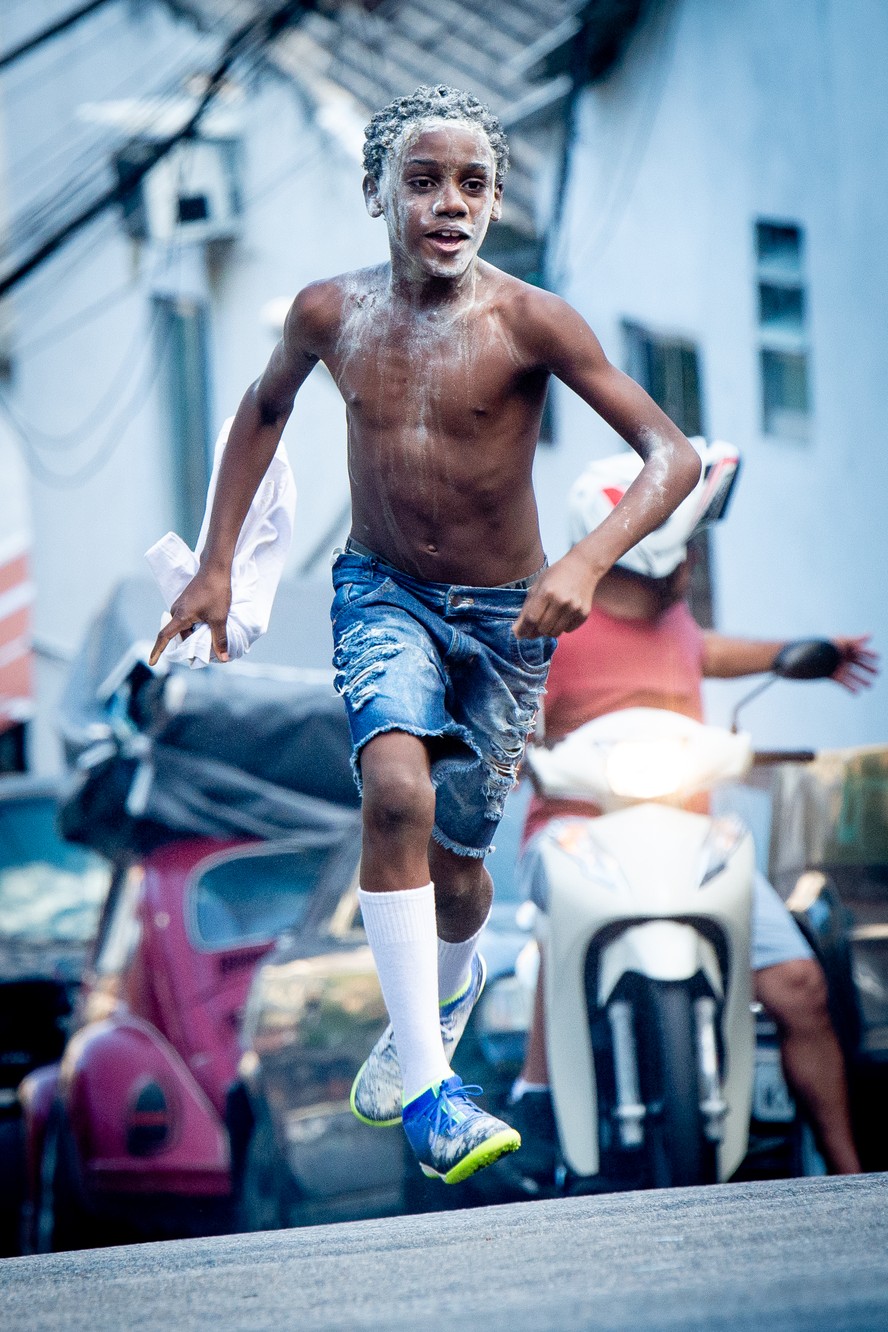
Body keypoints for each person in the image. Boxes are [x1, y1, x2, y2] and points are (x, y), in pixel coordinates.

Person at [149, 85, 702, 1186]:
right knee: (393, 793)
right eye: (422, 179)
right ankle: (435, 1091)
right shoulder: (330, 314)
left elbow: (671, 456)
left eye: (473, 184)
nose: (449, 202)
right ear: (376, 194)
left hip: (507, 618)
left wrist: (586, 564)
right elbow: (262, 412)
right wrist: (216, 562)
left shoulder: (532, 322)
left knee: (459, 870)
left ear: (494, 203)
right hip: (382, 593)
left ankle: (442, 994)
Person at [510, 447, 879, 1179]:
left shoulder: (674, 623)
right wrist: (515, 744)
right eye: (689, 544)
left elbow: (708, 652)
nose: (694, 563)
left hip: (692, 835)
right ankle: (538, 1094)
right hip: (579, 829)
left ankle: (849, 1171)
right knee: (564, 929)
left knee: (801, 987)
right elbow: (508, 710)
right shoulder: (551, 624)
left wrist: (797, 655)